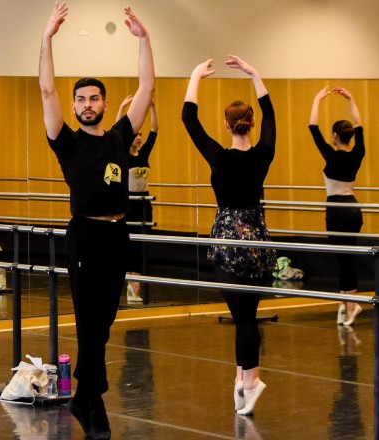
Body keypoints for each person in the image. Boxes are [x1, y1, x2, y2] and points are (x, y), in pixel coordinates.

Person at [39, 3, 154, 438]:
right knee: (87, 320)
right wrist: (47, 39)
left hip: (117, 233)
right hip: (85, 234)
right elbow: (47, 90)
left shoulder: (121, 136)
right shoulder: (66, 142)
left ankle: (82, 397)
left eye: (94, 98)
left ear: (105, 103)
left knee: (104, 320)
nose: (87, 105)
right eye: (81, 100)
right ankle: (94, 401)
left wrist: (144, 39)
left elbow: (146, 86)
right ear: (75, 106)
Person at [182, 56, 277, 416]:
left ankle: (250, 382)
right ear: (250, 123)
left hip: (227, 242)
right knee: (246, 315)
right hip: (256, 241)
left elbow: (188, 119)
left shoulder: (219, 159)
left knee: (243, 318)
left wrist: (195, 76)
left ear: (226, 124)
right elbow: (272, 117)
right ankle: (242, 379)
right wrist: (255, 73)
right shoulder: (263, 154)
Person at [309, 86, 365, 326]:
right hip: (352, 208)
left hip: (336, 209)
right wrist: (350, 98)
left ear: (334, 135)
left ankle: (351, 304)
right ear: (349, 136)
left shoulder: (331, 156)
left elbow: (312, 128)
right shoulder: (357, 153)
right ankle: (345, 303)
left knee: (344, 259)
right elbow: (360, 125)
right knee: (345, 258)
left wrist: (317, 100)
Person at [116, 95, 158, 303]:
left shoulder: (145, 154)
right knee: (129, 245)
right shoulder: (123, 154)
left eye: (140, 134)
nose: (139, 137)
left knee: (143, 245)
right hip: (129, 203)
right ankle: (130, 284)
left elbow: (155, 131)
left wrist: (153, 108)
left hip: (144, 204)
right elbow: (116, 132)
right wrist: (122, 107)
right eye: (136, 135)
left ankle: (138, 284)